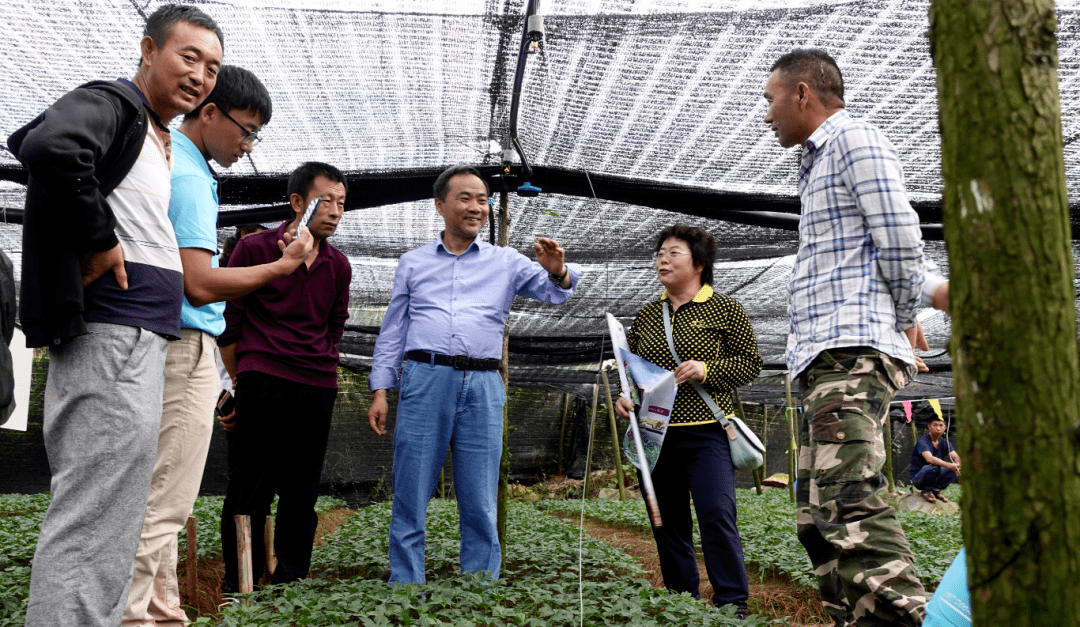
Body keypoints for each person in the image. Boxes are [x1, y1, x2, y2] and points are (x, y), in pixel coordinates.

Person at [7, 6, 223, 626]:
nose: (200, 75)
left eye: (211, 67)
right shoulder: (113, 103)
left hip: (139, 341)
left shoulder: (154, 133)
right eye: (188, 57)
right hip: (113, 336)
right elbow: (51, 144)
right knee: (94, 514)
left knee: (114, 519)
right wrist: (101, 239)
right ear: (149, 49)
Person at [763, 48, 950, 627]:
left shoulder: (853, 140)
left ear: (802, 93)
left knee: (848, 498)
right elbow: (864, 257)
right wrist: (918, 298)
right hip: (826, 357)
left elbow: (898, 237)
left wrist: (897, 313)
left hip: (850, 353)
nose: (765, 115)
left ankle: (913, 620)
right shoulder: (817, 163)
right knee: (816, 513)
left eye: (770, 100)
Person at [124, 66, 314, 627]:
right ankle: (131, 616)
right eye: (247, 130)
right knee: (164, 505)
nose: (248, 145)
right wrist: (282, 266)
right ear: (209, 112)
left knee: (159, 500)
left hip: (171, 341)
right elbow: (199, 283)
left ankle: (162, 615)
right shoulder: (185, 172)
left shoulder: (174, 160)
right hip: (183, 344)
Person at [366, 164, 580, 584]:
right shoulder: (413, 263)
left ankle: (478, 587)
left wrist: (559, 269)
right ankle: (407, 587)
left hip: (484, 383)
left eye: (482, 200)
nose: (476, 207)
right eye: (465, 198)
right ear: (440, 205)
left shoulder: (506, 262)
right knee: (412, 490)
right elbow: (393, 330)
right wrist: (380, 390)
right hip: (425, 378)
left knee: (480, 495)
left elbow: (557, 294)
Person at [217, 161, 351, 593]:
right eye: (325, 200)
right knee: (251, 483)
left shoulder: (339, 266)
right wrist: (244, 380)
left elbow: (334, 326)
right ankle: (240, 581)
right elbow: (230, 321)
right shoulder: (254, 249)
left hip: (316, 383)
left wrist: (321, 362)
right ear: (297, 203)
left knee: (302, 488)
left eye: (342, 203)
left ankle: (290, 581)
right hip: (263, 377)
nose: (335, 210)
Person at [613, 224, 762, 614]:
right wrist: (624, 397)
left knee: (716, 514)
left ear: (698, 262)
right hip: (656, 436)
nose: (663, 258)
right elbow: (632, 371)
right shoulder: (648, 315)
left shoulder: (726, 309)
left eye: (673, 252)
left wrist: (706, 369)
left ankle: (733, 604)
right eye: (660, 252)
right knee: (669, 523)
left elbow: (751, 363)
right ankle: (684, 603)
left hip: (708, 433)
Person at [909, 417, 960, 503]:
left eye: (941, 425)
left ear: (945, 427)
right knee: (934, 467)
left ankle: (936, 490)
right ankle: (927, 491)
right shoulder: (923, 441)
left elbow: (955, 456)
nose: (938, 428)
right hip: (918, 478)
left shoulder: (944, 442)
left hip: (935, 474)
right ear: (929, 427)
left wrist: (958, 465)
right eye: (935, 425)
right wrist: (951, 465)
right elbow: (930, 459)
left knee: (953, 469)